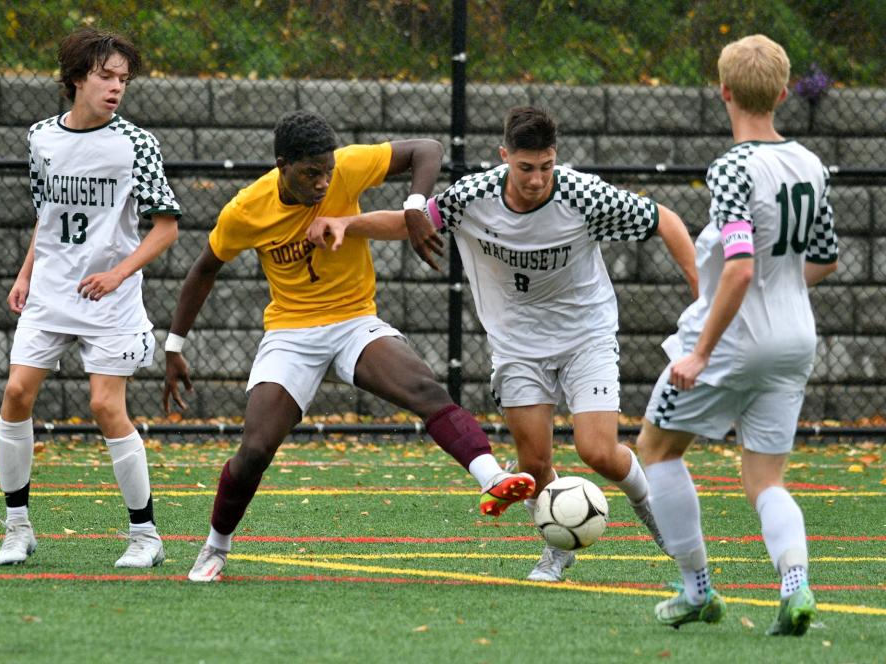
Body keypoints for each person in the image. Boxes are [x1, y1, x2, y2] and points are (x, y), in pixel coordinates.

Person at [307, 106, 698, 582]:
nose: (537, 179)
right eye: (526, 167)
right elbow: (411, 222)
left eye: (546, 166)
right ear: (505, 157)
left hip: (585, 337)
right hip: (517, 347)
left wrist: (700, 291)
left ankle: (650, 509)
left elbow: (666, 220)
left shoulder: (584, 195)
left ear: (556, 159)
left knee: (598, 451)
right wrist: (349, 224)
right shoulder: (474, 196)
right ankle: (558, 548)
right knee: (534, 464)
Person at [162, 110, 536, 583]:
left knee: (423, 388)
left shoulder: (349, 164)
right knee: (255, 448)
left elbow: (428, 148)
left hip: (353, 320)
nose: (322, 183)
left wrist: (415, 206)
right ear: (282, 165)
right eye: (309, 174)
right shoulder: (245, 210)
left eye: (328, 172)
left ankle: (493, 478)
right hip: (291, 333)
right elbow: (204, 269)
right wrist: (174, 346)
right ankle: (215, 547)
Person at [635, 34, 838, 634]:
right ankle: (796, 585)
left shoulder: (732, 167)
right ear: (781, 93)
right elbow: (824, 257)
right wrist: (782, 291)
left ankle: (696, 589)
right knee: (765, 479)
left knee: (656, 449)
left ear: (723, 91)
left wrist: (700, 352)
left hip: (733, 342)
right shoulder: (810, 164)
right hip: (795, 337)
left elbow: (741, 266)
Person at [0, 27, 181, 569]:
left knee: (104, 405)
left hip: (110, 300)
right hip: (51, 290)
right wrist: (26, 273)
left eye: (123, 78)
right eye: (105, 76)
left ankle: (146, 536)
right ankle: (17, 529)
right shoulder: (40, 138)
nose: (116, 87)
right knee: (16, 393)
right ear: (77, 78)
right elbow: (45, 216)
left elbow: (165, 228)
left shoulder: (136, 144)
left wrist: (118, 274)